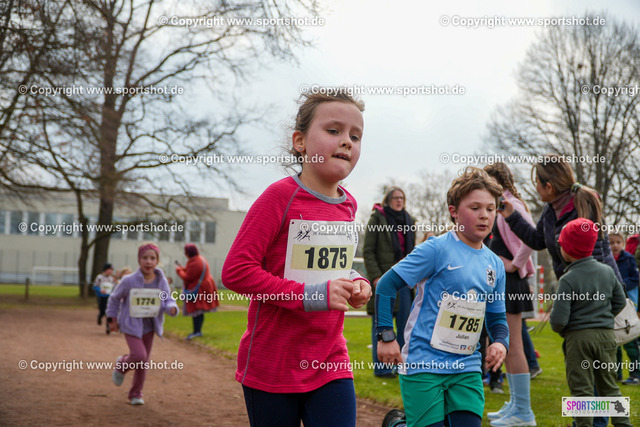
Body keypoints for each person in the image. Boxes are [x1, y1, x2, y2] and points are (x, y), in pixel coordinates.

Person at [221, 90, 371, 427]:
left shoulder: (349, 204)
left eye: (355, 136)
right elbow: (236, 271)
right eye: (333, 130)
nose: (346, 141)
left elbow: (330, 265)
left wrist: (356, 281)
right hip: (272, 364)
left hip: (331, 359)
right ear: (300, 142)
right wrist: (309, 296)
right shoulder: (279, 197)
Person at [376, 167, 509, 427]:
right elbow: (386, 284)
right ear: (454, 211)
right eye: (475, 208)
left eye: (490, 209)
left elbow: (496, 317)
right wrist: (386, 335)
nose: (484, 215)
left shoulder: (495, 264)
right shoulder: (436, 249)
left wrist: (500, 343)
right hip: (424, 363)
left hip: (467, 366)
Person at [498, 154, 624, 427]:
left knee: (586, 379)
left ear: (549, 186)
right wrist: (511, 216)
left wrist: (607, 294)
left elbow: (598, 250)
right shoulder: (550, 210)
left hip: (588, 299)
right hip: (589, 302)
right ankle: (603, 422)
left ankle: (592, 423)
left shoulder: (582, 204)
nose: (535, 187)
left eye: (537, 182)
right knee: (596, 379)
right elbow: (537, 240)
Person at [549, 218, 630, 427]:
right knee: (609, 387)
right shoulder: (607, 272)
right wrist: (603, 317)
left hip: (578, 339)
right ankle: (623, 423)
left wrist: (565, 328)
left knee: (582, 390)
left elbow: (558, 320)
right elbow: (620, 302)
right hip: (606, 337)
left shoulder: (568, 279)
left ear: (568, 249)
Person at [484, 162, 536, 426]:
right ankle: (516, 404)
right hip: (503, 281)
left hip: (512, 282)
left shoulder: (511, 203)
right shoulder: (499, 205)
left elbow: (532, 237)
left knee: (513, 345)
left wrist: (515, 264)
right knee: (506, 343)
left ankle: (523, 412)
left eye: (488, 180)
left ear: (498, 180)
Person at [106, 243, 179, 405]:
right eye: (145, 258)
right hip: (131, 324)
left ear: (157, 261)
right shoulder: (128, 281)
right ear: (139, 260)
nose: (148, 261)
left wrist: (172, 308)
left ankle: (136, 394)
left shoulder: (161, 281)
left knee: (143, 362)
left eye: (152, 258)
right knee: (139, 356)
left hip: (150, 326)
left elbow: (168, 299)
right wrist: (112, 319)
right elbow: (115, 298)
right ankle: (122, 365)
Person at [363, 187, 416, 377]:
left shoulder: (409, 220)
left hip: (404, 281)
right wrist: (376, 277)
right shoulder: (377, 219)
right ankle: (383, 368)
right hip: (384, 281)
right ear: (388, 200)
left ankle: (399, 366)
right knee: (382, 326)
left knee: (405, 327)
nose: (399, 201)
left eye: (402, 198)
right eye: (395, 198)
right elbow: (368, 251)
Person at [610, 232, 640, 384]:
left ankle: (636, 373)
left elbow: (635, 278)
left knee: (631, 342)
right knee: (614, 341)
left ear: (623, 244)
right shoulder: (606, 260)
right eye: (611, 242)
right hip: (612, 306)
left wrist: (619, 286)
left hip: (628, 305)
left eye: (618, 242)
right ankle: (616, 373)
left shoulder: (628, 259)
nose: (615, 246)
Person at [175, 243, 219, 340]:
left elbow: (188, 277)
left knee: (197, 311)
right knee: (199, 311)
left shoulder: (194, 262)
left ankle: (197, 331)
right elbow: (190, 270)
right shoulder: (200, 259)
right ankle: (197, 331)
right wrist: (183, 269)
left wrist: (179, 271)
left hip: (199, 289)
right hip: (203, 287)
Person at [93, 262, 116, 334]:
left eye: (111, 270)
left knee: (108, 312)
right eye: (109, 270)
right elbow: (95, 286)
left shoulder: (112, 279)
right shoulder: (99, 277)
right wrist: (100, 290)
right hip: (101, 297)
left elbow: (114, 287)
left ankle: (108, 326)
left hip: (109, 297)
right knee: (102, 311)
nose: (110, 271)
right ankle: (100, 316)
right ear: (105, 270)